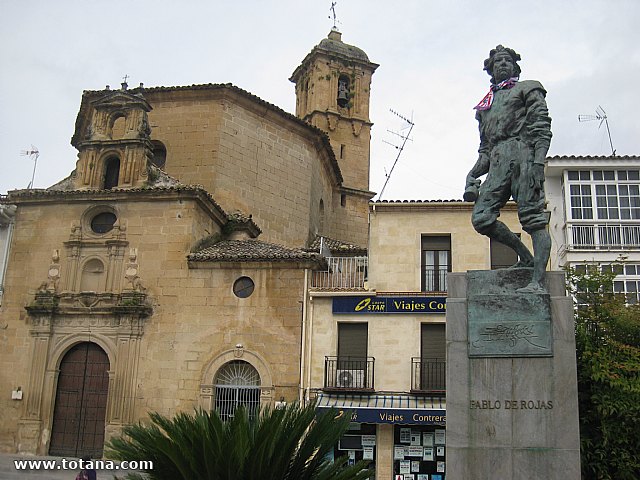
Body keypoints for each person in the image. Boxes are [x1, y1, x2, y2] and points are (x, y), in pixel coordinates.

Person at [464, 45, 552, 293]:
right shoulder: (485, 107)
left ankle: (537, 282)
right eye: (497, 62)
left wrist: (538, 163)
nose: (502, 64)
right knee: (481, 218)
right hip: (498, 161)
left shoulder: (529, 88)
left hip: (523, 154)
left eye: (507, 61)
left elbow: (541, 127)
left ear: (515, 67)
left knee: (533, 220)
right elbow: (485, 149)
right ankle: (525, 257)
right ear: (490, 70)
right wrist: (472, 174)